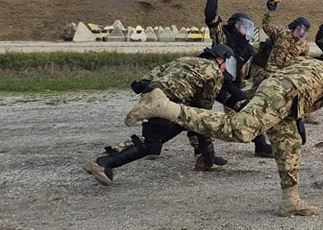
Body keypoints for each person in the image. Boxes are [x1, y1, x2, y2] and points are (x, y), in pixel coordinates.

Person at [123, 56, 323, 216]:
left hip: (279, 92)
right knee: (240, 130)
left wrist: (291, 117)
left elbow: (275, 82)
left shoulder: (304, 62)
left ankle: (291, 201)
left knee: (289, 144)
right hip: (285, 95)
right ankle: (164, 107)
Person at [83, 44, 243, 185]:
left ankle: (205, 161)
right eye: (227, 63)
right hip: (167, 101)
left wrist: (144, 84)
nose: (226, 68)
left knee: (162, 135)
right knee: (155, 142)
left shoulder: (185, 59)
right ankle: (102, 163)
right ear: (220, 59)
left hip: (153, 94)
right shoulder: (214, 72)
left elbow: (157, 71)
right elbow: (203, 111)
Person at [203, 0, 272, 158]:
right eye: (244, 26)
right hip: (209, 81)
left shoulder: (248, 49)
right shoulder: (222, 36)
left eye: (248, 27)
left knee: (248, 109)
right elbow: (211, 16)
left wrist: (267, 48)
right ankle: (203, 153)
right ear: (235, 25)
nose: (247, 30)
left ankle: (261, 146)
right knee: (198, 114)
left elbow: (251, 68)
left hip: (229, 86)